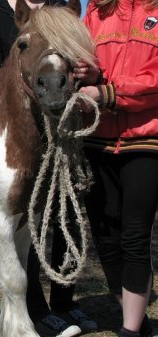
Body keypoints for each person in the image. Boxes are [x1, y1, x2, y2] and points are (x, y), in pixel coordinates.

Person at [0, 1, 98, 337]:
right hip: (17, 127)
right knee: (25, 219)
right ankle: (36, 307)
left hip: (59, 118)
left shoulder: (60, 8)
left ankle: (65, 301)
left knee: (66, 213)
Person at [73, 0, 158, 336]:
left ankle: (130, 330)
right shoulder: (95, 13)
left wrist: (107, 91)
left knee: (134, 237)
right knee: (106, 239)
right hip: (98, 142)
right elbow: (85, 66)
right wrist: (91, 74)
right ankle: (136, 319)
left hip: (146, 143)